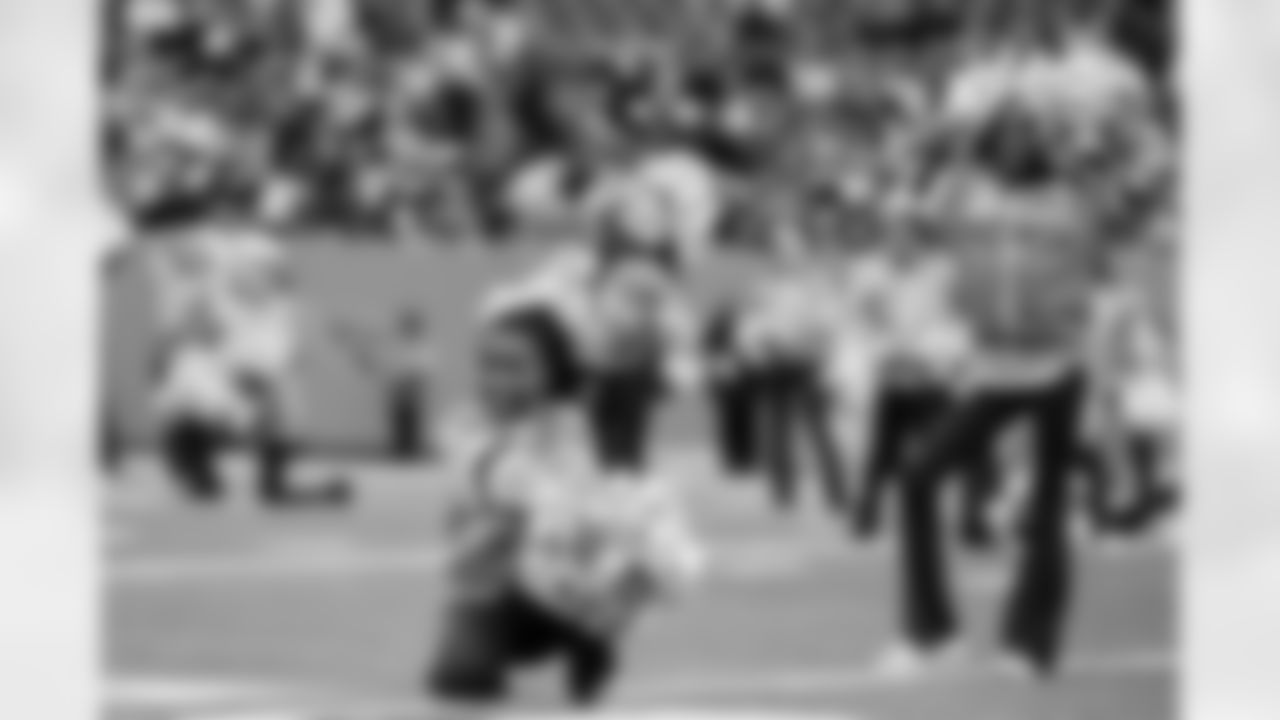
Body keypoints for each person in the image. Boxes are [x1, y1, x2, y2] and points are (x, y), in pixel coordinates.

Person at [883, 173, 1117, 679]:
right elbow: (955, 288)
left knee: (1048, 504)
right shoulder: (972, 219)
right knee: (918, 474)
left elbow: (1097, 296)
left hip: (1059, 366)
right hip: (995, 370)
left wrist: (1099, 387)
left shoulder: (1069, 211)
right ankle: (932, 632)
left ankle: (1031, 644)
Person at [428, 302, 703, 707]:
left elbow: (601, 508)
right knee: (460, 678)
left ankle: (590, 639)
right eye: (488, 365)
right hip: (489, 579)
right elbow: (483, 480)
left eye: (514, 366)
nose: (496, 380)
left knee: (619, 547)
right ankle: (533, 628)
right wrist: (518, 505)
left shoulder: (573, 428)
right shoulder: (463, 423)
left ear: (551, 371)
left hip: (567, 580)